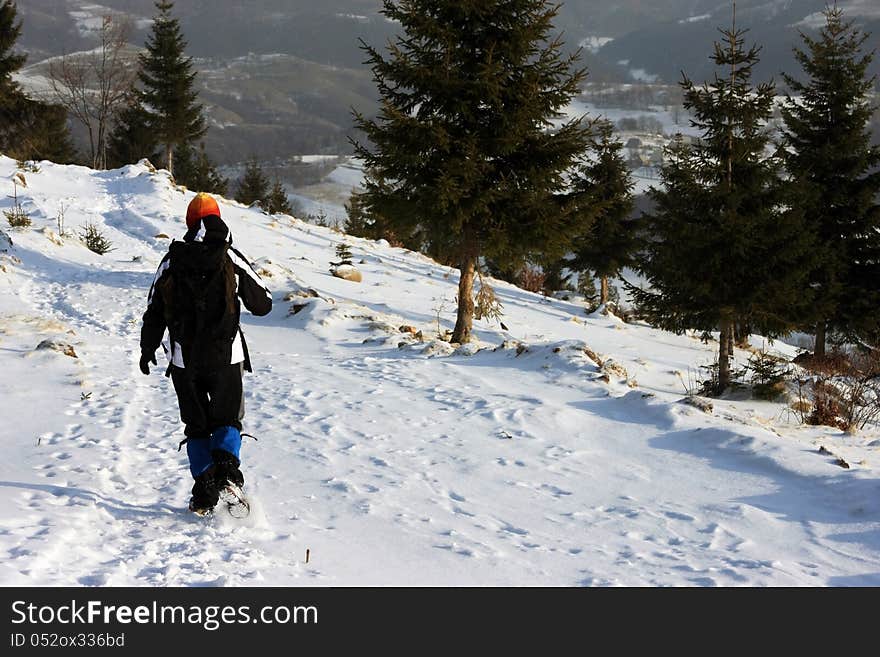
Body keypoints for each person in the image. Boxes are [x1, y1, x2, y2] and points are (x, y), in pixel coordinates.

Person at [139, 193, 272, 515]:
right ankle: (227, 473)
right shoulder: (230, 257)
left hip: (184, 359)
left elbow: (154, 309)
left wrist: (147, 348)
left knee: (197, 426)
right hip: (227, 356)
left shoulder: (172, 259)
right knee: (227, 418)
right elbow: (264, 305)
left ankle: (204, 492)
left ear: (188, 223)